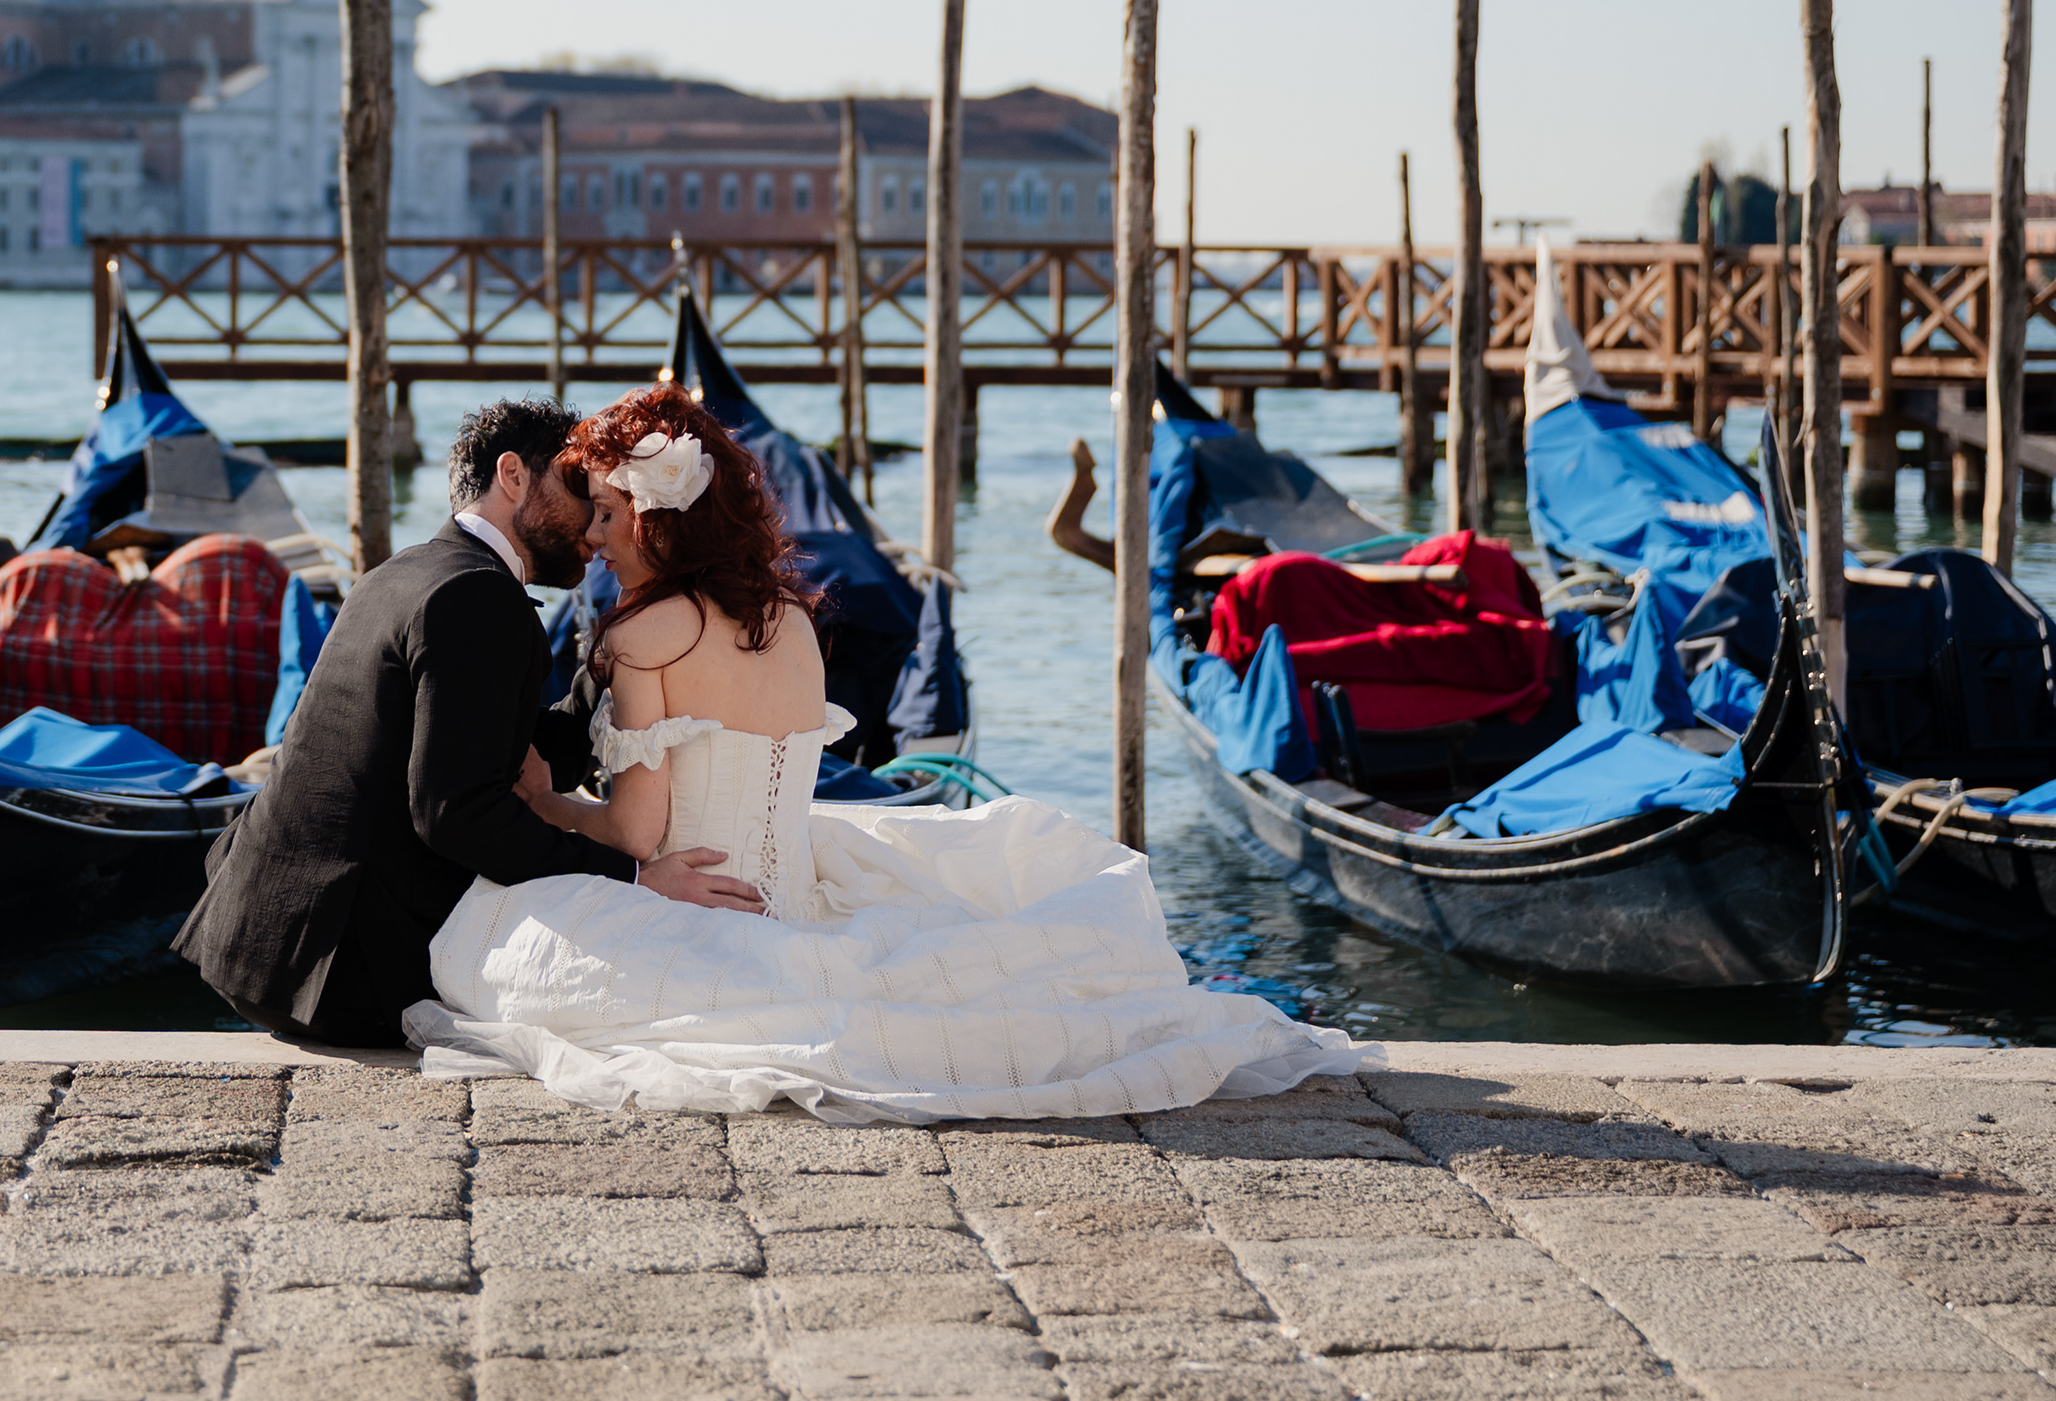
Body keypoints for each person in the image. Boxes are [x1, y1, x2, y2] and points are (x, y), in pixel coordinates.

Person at [409, 383, 1368, 1123]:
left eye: (610, 517)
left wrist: (541, 800)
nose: (596, 538)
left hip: (698, 908)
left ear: (656, 517)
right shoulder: (787, 622)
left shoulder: (638, 639)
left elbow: (635, 831)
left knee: (478, 954)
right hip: (789, 892)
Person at [172, 399, 764, 1047]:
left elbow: (502, 749)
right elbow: (457, 812)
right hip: (344, 976)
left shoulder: (405, 572)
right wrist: (637, 882)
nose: (595, 529)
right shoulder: (477, 598)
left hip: (259, 946)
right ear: (513, 476)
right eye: (576, 490)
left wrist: (617, 664)